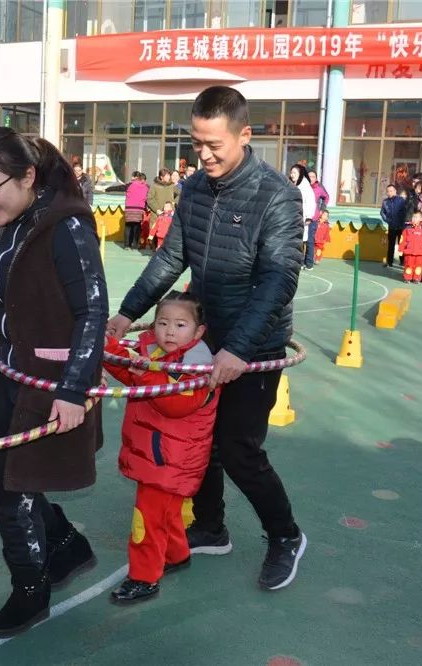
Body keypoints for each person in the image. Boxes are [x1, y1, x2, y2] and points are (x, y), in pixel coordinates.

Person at [107, 85, 306, 592]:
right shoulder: (195, 188)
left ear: (244, 135)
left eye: (214, 144)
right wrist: (128, 314)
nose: (204, 154)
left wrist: (238, 348)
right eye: (196, 143)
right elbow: (171, 258)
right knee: (199, 445)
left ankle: (285, 535)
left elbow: (278, 279)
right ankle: (211, 526)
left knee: (237, 448)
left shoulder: (276, 195)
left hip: (253, 344)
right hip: (199, 343)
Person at [0, 126, 107, 637]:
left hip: (51, 386)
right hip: (11, 376)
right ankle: (65, 546)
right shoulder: (6, 224)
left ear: (29, 176)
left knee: (10, 494)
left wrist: (73, 389)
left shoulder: (67, 226)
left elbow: (92, 311)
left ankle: (30, 588)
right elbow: (6, 303)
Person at [103, 291, 219, 604]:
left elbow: (174, 406)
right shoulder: (153, 353)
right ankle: (177, 554)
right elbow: (129, 369)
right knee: (166, 514)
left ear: (198, 333)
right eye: (162, 323)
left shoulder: (198, 368)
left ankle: (144, 577)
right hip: (157, 454)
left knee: (148, 518)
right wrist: (106, 347)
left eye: (180, 325)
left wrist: (142, 376)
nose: (169, 331)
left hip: (172, 460)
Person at [290, 164, 317, 269]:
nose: (292, 175)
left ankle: (301, 262)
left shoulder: (305, 186)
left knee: (301, 240)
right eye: (291, 172)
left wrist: (309, 216)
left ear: (300, 173)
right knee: (293, 239)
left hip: (302, 217)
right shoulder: (293, 184)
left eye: (295, 173)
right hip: (292, 216)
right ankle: (296, 261)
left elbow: (311, 202)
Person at [398, 212, 422, 284]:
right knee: (408, 265)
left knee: (419, 266)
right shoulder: (407, 228)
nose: (414, 219)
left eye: (416, 217)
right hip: (409, 252)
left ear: (421, 219)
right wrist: (401, 249)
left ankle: (417, 278)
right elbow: (402, 240)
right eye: (413, 217)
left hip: (420, 253)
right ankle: (407, 278)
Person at [380, 184, 407, 268]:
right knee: (391, 245)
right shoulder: (385, 202)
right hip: (391, 227)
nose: (389, 193)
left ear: (395, 191)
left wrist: (403, 221)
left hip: (401, 227)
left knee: (401, 245)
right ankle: (389, 262)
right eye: (388, 191)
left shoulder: (401, 200)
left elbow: (406, 212)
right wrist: (387, 220)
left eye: (391, 191)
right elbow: (382, 212)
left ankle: (402, 261)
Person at [124, 170, 150, 250]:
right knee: (137, 226)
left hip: (129, 209)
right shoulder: (147, 187)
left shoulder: (129, 185)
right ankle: (135, 245)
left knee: (128, 226)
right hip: (139, 209)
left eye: (132, 177)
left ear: (135, 177)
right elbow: (148, 198)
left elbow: (119, 187)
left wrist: (107, 189)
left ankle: (127, 245)